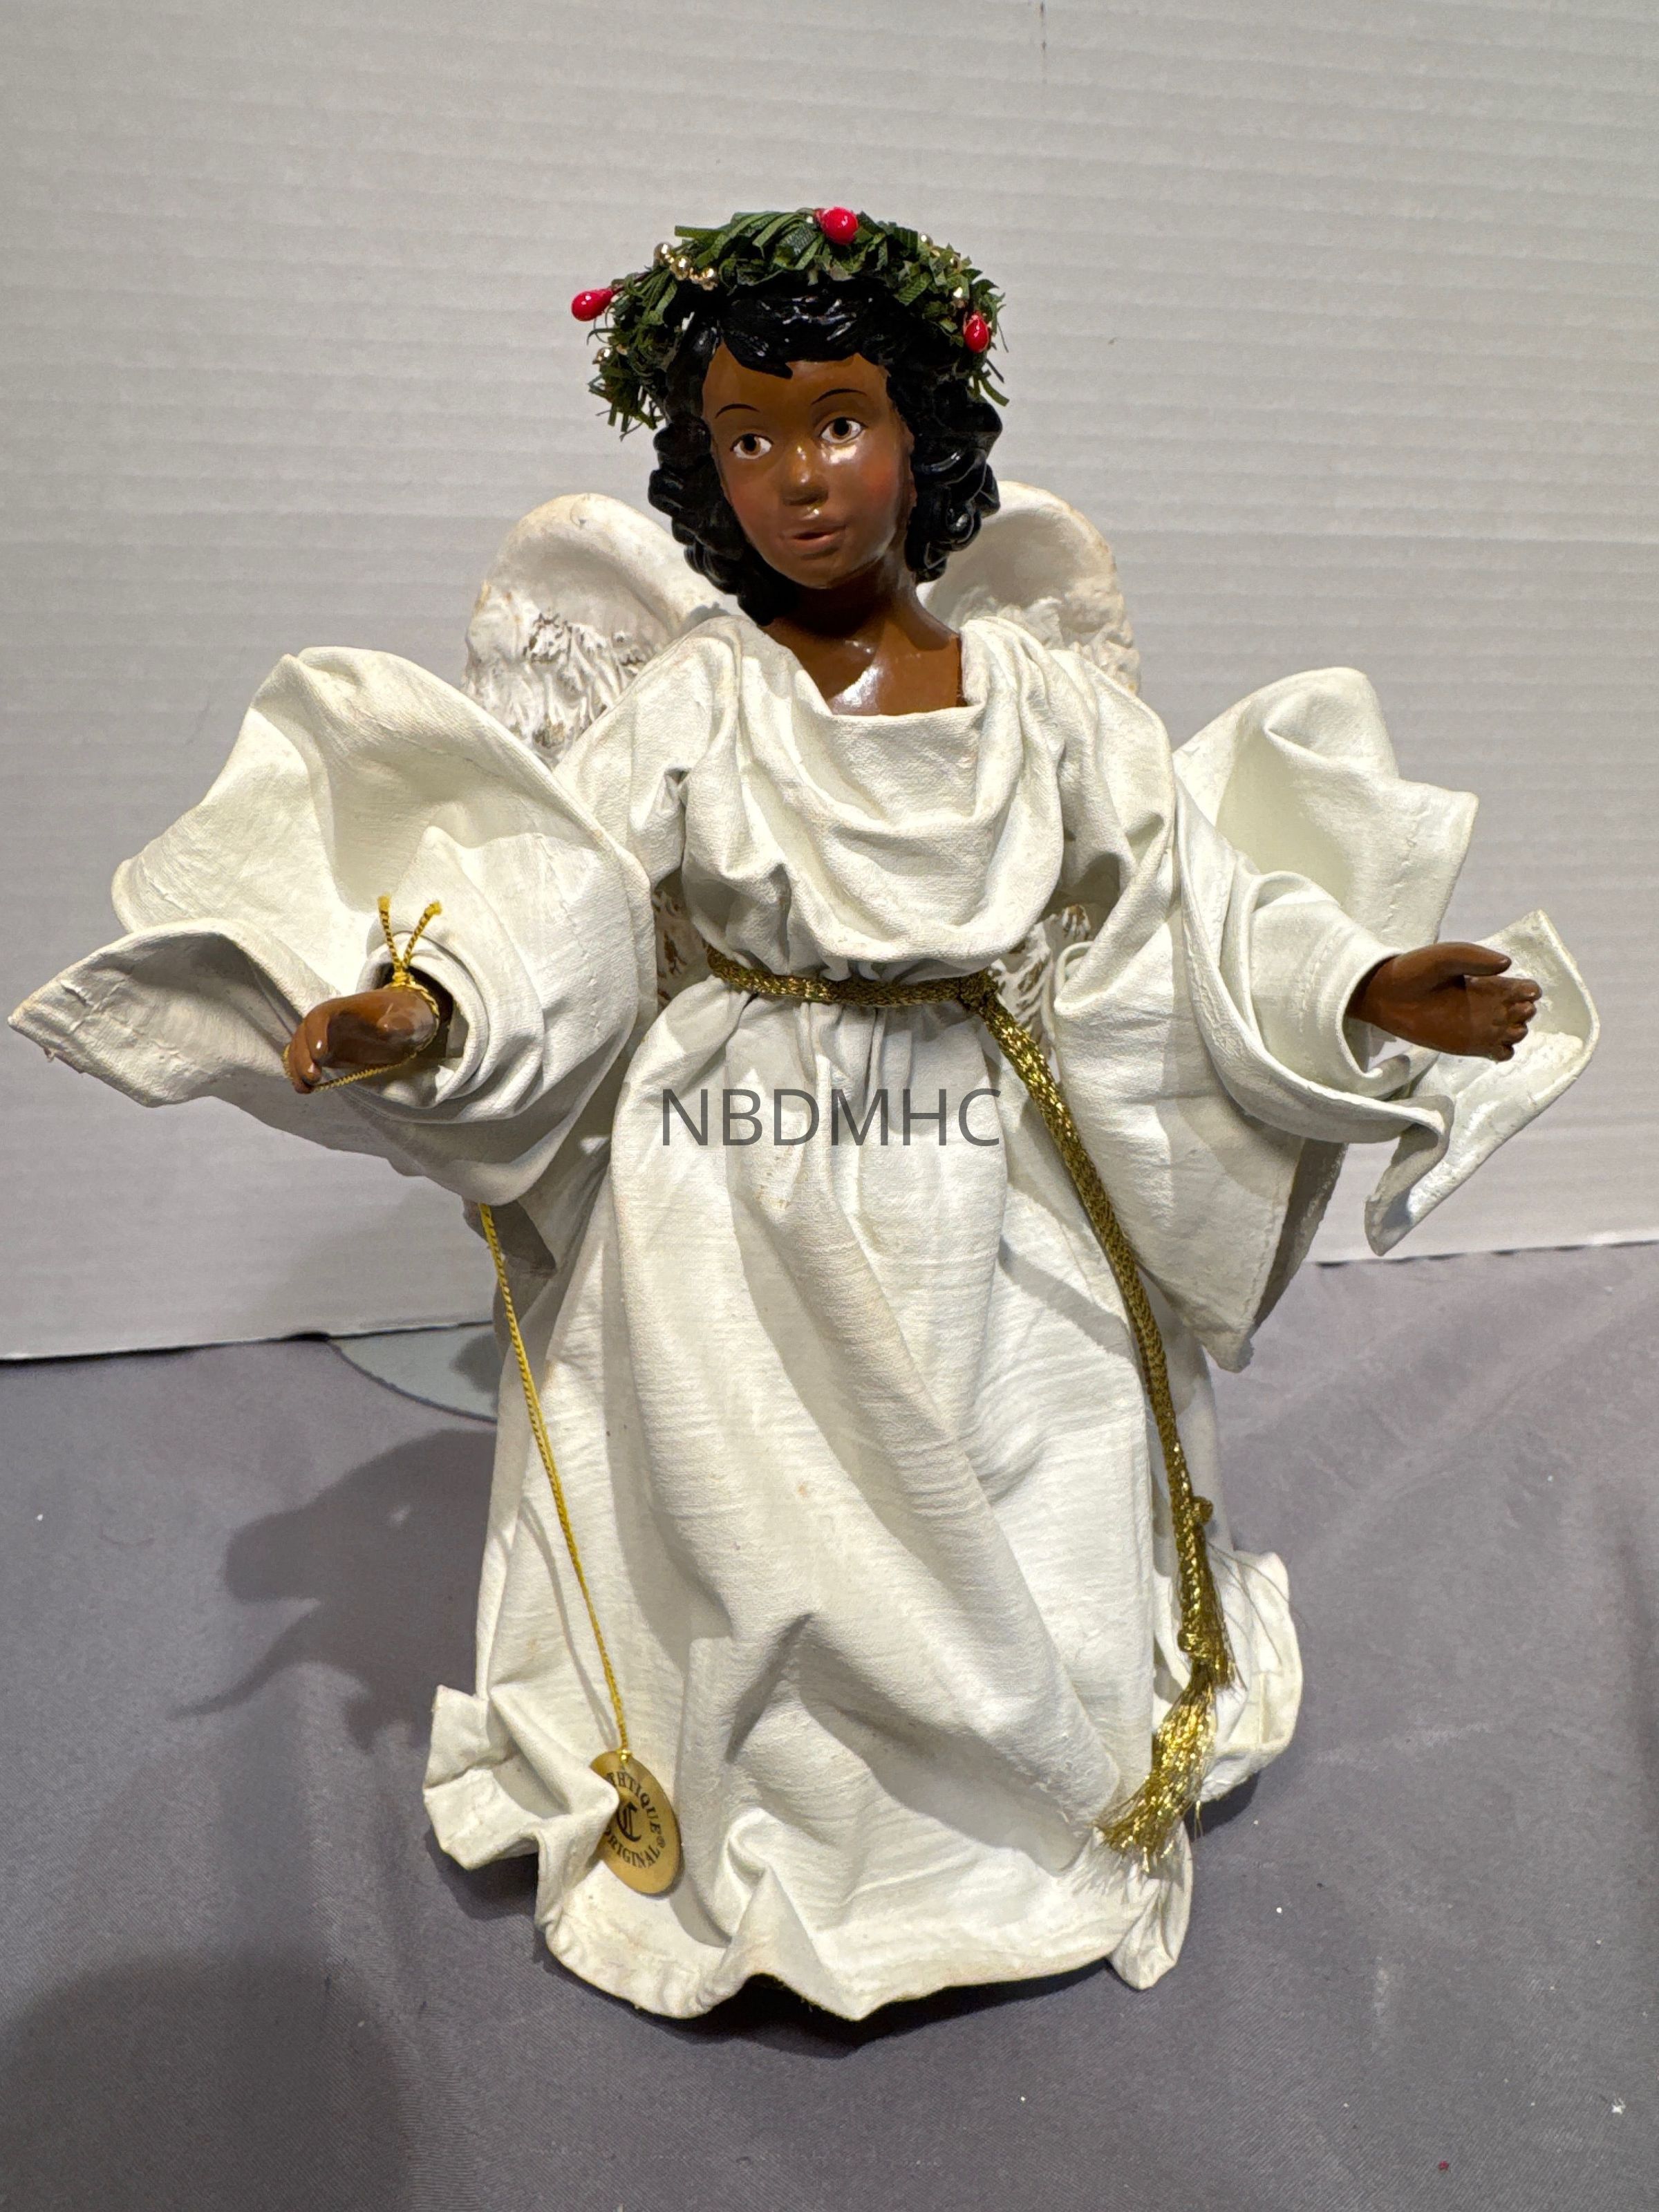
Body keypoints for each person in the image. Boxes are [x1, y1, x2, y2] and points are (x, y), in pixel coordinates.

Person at [12, 207, 1595, 2021]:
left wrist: (1357, 987)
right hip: (733, 1189)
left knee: (1035, 1452)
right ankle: (785, 1791)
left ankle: (1004, 1785)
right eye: (747, 437)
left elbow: (1191, 902)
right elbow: (566, 897)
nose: (797, 478)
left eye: (838, 420)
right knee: (745, 1507)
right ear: (705, 468)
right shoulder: (698, 700)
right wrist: (435, 1003)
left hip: (991, 1167)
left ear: (923, 428)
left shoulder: (1042, 705)